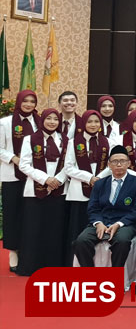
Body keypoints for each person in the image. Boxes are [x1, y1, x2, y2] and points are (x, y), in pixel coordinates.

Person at [73, 145, 136, 267]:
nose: (119, 164)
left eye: (122, 161)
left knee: (122, 242)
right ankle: (89, 277)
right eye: (115, 161)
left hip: (125, 223)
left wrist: (119, 224)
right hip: (102, 221)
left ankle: (114, 277)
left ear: (129, 163)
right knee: (81, 241)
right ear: (109, 164)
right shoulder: (100, 184)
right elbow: (93, 207)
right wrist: (98, 223)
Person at [16, 108, 67, 276]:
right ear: (42, 120)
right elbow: (24, 165)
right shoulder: (29, 139)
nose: (52, 122)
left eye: (55, 119)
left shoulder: (66, 140)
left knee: (55, 229)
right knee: (34, 229)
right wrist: (46, 179)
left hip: (59, 190)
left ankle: (54, 266)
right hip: (35, 191)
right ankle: (32, 266)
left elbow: (70, 164)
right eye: (49, 118)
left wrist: (57, 180)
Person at [63, 110, 110, 265]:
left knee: (99, 230)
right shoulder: (73, 142)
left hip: (102, 190)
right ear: (83, 123)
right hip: (79, 193)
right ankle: (77, 265)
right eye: (89, 121)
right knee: (78, 229)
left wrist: (99, 178)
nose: (93, 125)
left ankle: (97, 265)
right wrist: (89, 178)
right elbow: (68, 168)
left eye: (96, 121)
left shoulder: (108, 141)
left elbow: (113, 165)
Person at [0, 90, 39, 272]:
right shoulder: (6, 123)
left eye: (32, 101)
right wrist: (14, 159)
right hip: (11, 176)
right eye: (26, 101)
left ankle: (28, 250)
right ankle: (13, 251)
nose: (29, 104)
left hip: (33, 175)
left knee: (29, 214)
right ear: (19, 102)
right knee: (12, 214)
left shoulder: (40, 122)